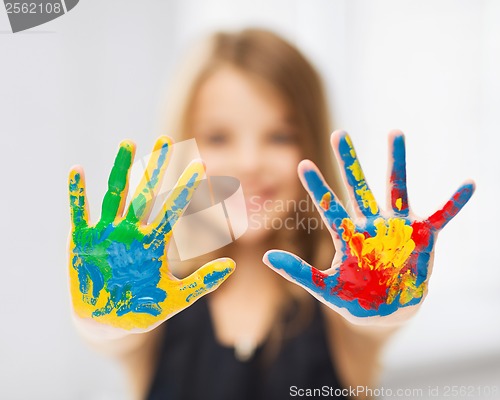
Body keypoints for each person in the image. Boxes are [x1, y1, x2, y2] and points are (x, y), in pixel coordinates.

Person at [67, 29, 474, 400]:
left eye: (279, 136)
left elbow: (373, 325)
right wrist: (100, 317)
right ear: (184, 146)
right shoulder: (148, 289)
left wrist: (387, 304)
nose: (249, 162)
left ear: (310, 145)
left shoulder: (341, 290)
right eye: (219, 137)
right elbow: (113, 336)